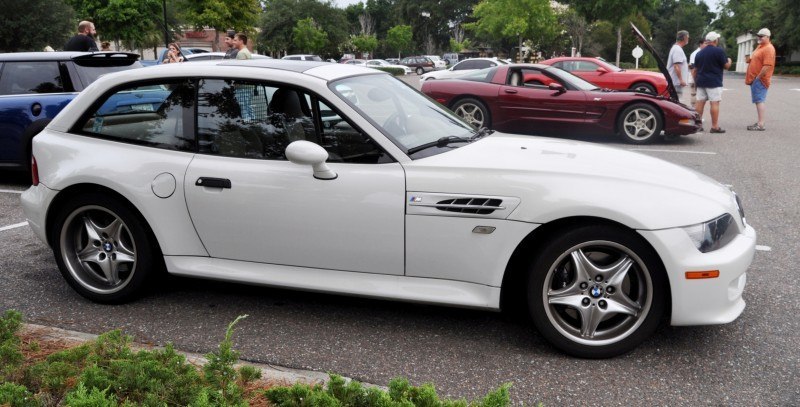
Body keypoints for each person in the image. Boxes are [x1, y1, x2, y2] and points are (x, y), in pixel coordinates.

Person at [693, 32, 732, 134]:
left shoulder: (699, 53)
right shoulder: (719, 51)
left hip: (701, 81)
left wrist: (695, 81)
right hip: (714, 81)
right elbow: (726, 66)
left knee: (699, 103)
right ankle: (714, 126)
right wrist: (730, 61)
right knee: (714, 103)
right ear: (715, 41)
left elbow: (695, 70)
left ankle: (697, 125)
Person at [745, 28, 776, 131]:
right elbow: (750, 59)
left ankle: (761, 124)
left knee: (759, 100)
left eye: (761, 36)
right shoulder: (760, 47)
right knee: (758, 100)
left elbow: (767, 65)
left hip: (761, 80)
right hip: (755, 79)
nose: (759, 37)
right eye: (758, 35)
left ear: (768, 37)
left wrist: (757, 78)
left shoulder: (768, 48)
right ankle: (760, 122)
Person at [233, 33, 254, 120]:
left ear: (241, 41)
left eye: (235, 40)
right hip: (248, 87)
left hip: (242, 87)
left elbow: (240, 72)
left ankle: (247, 130)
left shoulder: (241, 54)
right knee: (248, 108)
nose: (233, 42)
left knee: (244, 110)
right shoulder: (246, 52)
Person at [666, 30, 690, 99]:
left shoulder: (676, 48)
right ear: (685, 37)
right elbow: (676, 66)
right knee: (676, 102)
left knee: (674, 101)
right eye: (688, 37)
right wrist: (681, 80)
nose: (688, 39)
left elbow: (679, 64)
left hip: (675, 82)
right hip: (676, 82)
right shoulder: (677, 49)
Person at [688, 38, 706, 105]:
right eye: (705, 43)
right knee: (694, 95)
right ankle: (693, 111)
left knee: (699, 98)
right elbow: (692, 68)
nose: (707, 45)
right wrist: (695, 81)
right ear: (700, 44)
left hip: (699, 78)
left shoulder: (702, 53)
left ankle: (695, 111)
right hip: (694, 78)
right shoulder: (695, 53)